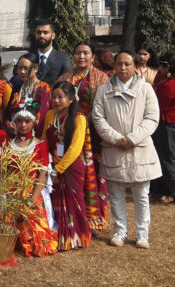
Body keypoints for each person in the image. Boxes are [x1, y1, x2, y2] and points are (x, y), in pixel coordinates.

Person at [93, 50, 161, 249]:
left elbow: (152, 118)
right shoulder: (104, 90)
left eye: (127, 64)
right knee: (116, 195)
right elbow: (98, 118)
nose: (123, 68)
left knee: (141, 196)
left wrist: (132, 139)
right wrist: (116, 139)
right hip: (113, 148)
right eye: (119, 64)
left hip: (140, 149)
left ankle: (142, 235)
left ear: (134, 66)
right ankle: (120, 231)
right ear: (114, 66)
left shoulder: (146, 89)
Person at [56, 41, 110, 232]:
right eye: (78, 53)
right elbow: (57, 104)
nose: (81, 56)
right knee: (72, 176)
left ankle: (95, 219)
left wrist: (84, 121)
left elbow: (104, 107)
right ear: (73, 56)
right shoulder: (65, 77)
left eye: (86, 53)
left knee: (93, 176)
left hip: (93, 135)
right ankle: (73, 218)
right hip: (67, 134)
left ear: (93, 57)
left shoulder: (102, 78)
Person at [43, 82, 92, 251]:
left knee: (73, 201)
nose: (56, 101)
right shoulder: (51, 115)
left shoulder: (79, 118)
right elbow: (44, 140)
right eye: (54, 97)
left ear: (71, 99)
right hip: (53, 163)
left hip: (72, 166)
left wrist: (59, 168)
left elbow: (76, 148)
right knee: (56, 200)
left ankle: (77, 237)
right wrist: (47, 163)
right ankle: (59, 236)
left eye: (60, 97)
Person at [7, 101, 58, 257]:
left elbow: (42, 174)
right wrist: (8, 195)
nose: (23, 125)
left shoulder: (40, 145)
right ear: (14, 123)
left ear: (34, 123)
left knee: (36, 237)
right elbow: (5, 172)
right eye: (19, 121)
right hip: (12, 191)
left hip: (32, 191)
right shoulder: (9, 145)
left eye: (27, 121)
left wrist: (33, 198)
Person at [7, 53, 51, 137]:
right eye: (20, 68)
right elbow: (8, 111)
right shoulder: (17, 86)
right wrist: (8, 123)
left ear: (36, 69)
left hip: (34, 136)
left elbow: (43, 116)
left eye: (26, 68)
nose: (22, 71)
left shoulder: (43, 88)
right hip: (15, 135)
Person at [152, 53, 175, 204]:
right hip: (161, 122)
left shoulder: (168, 84)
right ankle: (161, 190)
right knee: (160, 157)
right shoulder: (161, 79)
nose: (158, 68)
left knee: (167, 159)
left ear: (168, 67)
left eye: (161, 65)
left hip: (167, 123)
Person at [32, 21, 72, 86]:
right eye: (38, 32)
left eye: (45, 32)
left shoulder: (63, 59)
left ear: (53, 36)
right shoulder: (28, 59)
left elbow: (66, 85)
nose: (41, 35)